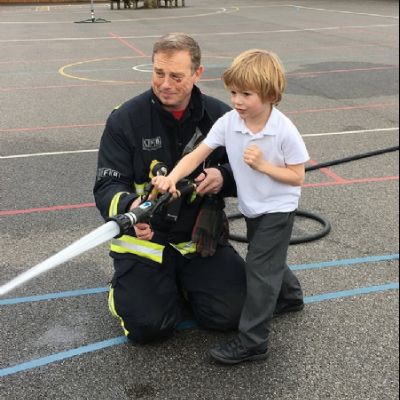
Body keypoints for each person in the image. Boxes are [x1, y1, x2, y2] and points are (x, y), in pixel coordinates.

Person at [152, 49, 309, 364]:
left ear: (269, 94)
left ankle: (253, 343)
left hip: (277, 207)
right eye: (233, 92)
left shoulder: (283, 130)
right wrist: (171, 178)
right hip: (253, 206)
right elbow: (197, 155)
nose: (237, 100)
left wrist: (264, 166)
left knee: (259, 269)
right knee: (265, 259)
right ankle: (290, 296)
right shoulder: (229, 122)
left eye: (246, 94)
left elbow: (296, 177)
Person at [93, 33, 248, 344]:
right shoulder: (125, 119)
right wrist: (130, 207)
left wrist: (224, 176)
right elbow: (107, 184)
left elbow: (250, 168)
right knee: (148, 328)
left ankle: (182, 283)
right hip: (145, 244)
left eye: (176, 76)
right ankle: (124, 289)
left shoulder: (220, 118)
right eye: (158, 73)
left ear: (197, 73)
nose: (165, 84)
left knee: (233, 315)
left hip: (197, 241)